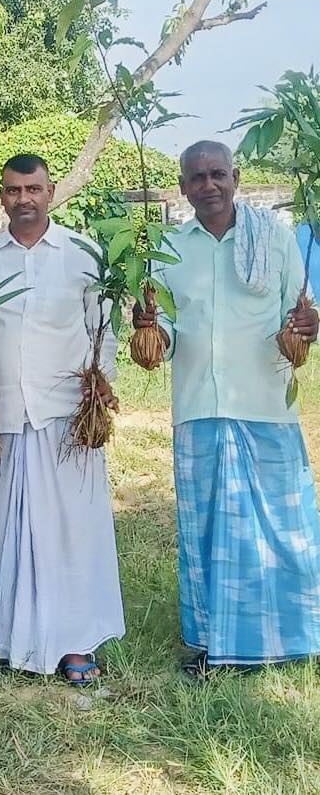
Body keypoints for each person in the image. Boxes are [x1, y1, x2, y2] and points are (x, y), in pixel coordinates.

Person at [135, 141, 320, 676]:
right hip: (198, 408)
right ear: (183, 186)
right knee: (207, 532)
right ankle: (216, 642)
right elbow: (165, 336)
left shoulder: (275, 238)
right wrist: (149, 331)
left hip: (266, 406)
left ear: (236, 177)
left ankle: (294, 635)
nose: (208, 185)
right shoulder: (168, 249)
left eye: (218, 174)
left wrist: (309, 325)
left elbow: (302, 310)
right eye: (197, 177)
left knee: (282, 525)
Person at [0, 154, 124, 685]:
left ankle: (77, 644)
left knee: (72, 531)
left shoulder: (83, 254)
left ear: (51, 191)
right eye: (13, 190)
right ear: (2, 195)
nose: (24, 199)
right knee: (11, 530)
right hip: (6, 417)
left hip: (68, 418)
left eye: (33, 188)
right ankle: (20, 640)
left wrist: (99, 395)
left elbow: (104, 330)